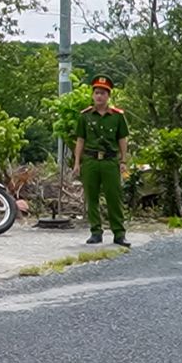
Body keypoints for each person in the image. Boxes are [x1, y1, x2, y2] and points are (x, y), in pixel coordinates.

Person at [74, 75, 131, 247]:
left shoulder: (117, 116)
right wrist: (77, 162)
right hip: (91, 160)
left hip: (110, 161)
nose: (99, 96)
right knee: (91, 197)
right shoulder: (85, 117)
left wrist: (123, 160)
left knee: (114, 196)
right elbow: (80, 140)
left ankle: (119, 233)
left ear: (109, 96)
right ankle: (95, 232)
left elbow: (122, 139)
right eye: (97, 93)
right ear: (93, 95)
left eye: (103, 93)